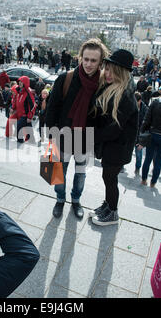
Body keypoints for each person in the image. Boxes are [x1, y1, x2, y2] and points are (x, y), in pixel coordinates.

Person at [46, 38, 109, 219]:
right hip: (62, 136)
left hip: (85, 139)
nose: (88, 64)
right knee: (58, 173)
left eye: (93, 60)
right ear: (80, 58)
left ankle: (75, 200)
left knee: (80, 175)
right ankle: (60, 199)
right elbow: (52, 109)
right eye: (86, 59)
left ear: (100, 62)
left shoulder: (103, 85)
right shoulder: (65, 79)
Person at [89, 49, 138, 226]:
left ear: (121, 73)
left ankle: (113, 213)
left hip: (118, 147)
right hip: (113, 146)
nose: (107, 73)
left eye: (112, 70)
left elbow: (114, 129)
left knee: (110, 179)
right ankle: (108, 206)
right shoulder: (114, 88)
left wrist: (91, 136)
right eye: (106, 69)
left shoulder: (125, 95)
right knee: (108, 178)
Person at [12, 76, 36, 143]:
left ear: (25, 83)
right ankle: (31, 141)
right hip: (20, 114)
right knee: (29, 130)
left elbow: (33, 106)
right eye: (19, 81)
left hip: (25, 115)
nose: (19, 83)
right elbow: (16, 101)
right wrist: (13, 108)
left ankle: (20, 142)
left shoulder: (28, 92)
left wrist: (30, 116)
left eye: (21, 82)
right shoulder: (19, 91)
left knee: (18, 127)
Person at [134, 92, 148, 175]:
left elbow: (147, 126)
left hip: (140, 136)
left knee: (138, 155)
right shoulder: (130, 106)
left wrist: (143, 141)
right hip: (131, 135)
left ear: (140, 101)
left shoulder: (145, 110)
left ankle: (137, 168)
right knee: (124, 151)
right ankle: (121, 166)